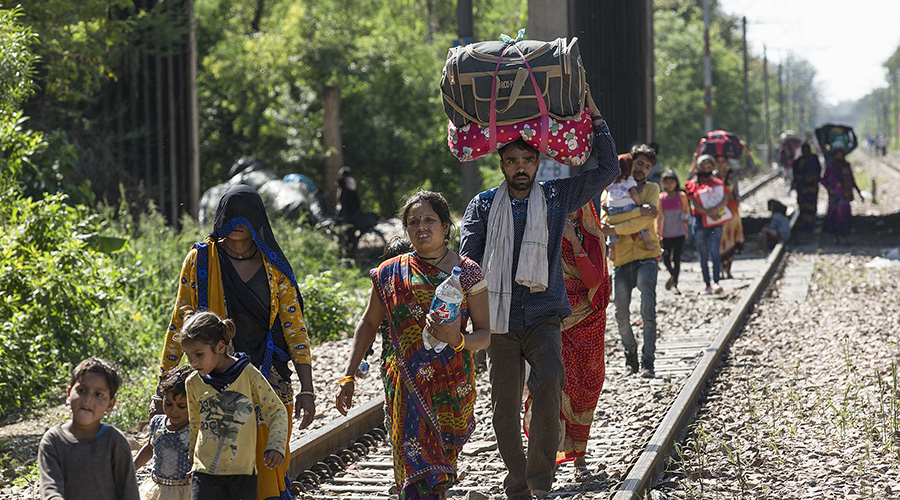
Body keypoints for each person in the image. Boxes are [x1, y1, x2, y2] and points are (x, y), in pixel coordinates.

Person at [459, 87, 618, 500]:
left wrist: (596, 118)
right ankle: (517, 484)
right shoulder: (482, 205)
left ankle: (541, 480)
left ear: (537, 162)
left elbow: (606, 172)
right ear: (502, 165)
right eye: (512, 161)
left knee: (549, 385)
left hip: (544, 313)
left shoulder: (554, 197)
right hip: (498, 318)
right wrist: (462, 297)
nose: (520, 167)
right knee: (504, 406)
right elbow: (467, 258)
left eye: (527, 160)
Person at [157, 184, 315, 500]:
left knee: (266, 460)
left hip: (267, 372)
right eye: (232, 214)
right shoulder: (200, 260)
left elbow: (295, 329)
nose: (238, 222)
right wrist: (162, 383)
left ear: (258, 220)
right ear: (220, 217)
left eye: (247, 215)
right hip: (213, 375)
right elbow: (179, 321)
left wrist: (307, 388)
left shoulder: (275, 268)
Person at [335, 190, 491, 500]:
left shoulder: (468, 272)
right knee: (415, 471)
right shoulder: (390, 273)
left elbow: (485, 335)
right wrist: (348, 375)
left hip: (451, 386)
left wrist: (456, 339)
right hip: (406, 386)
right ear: (406, 229)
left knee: (439, 470)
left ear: (446, 227)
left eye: (430, 220)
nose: (422, 227)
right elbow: (368, 324)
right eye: (413, 221)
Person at [177, 311, 289, 500]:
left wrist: (276, 446)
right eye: (188, 355)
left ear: (220, 347)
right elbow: (195, 424)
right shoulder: (193, 383)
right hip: (204, 471)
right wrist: (192, 461)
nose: (193, 361)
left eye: (199, 354)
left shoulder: (247, 374)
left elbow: (276, 410)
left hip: (242, 471)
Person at [555, 202, 611, 476]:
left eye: (575, 204)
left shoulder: (592, 237)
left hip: (588, 322)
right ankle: (548, 457)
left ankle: (580, 457)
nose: (569, 209)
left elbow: (592, 281)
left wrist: (575, 242)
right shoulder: (546, 234)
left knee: (586, 388)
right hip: (556, 322)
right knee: (558, 385)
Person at [38, 357, 140, 500]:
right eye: (82, 390)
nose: (88, 399)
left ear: (110, 405)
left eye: (99, 394)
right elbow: (50, 489)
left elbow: (129, 492)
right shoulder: (53, 441)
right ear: (68, 394)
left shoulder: (115, 442)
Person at [601, 146, 662, 378]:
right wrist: (639, 211)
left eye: (647, 166)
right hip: (622, 259)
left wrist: (617, 227)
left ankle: (648, 361)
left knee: (648, 309)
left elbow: (641, 225)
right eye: (639, 164)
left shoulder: (652, 189)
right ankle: (631, 356)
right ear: (630, 162)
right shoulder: (610, 188)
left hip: (647, 257)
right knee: (621, 315)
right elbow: (607, 218)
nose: (642, 169)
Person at [135, 365, 194, 500]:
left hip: (185, 492)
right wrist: (132, 467)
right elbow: (150, 448)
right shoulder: (157, 422)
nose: (173, 410)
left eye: (181, 406)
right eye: (168, 403)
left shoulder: (194, 428)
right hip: (158, 489)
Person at [685, 154, 730, 295]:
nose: (706, 169)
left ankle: (716, 281)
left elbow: (725, 197)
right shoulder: (693, 183)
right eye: (703, 166)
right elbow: (694, 202)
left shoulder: (718, 182)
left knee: (715, 251)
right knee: (703, 253)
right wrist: (706, 212)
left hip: (715, 221)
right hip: (700, 222)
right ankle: (707, 283)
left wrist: (715, 210)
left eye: (709, 166)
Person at [604, 159, 655, 262]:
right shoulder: (629, 180)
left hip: (612, 208)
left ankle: (612, 247)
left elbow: (606, 189)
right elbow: (634, 194)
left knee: (611, 230)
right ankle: (647, 241)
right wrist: (639, 205)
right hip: (626, 207)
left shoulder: (612, 180)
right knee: (640, 220)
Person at [655, 169, 690, 295]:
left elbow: (687, 211)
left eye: (672, 182)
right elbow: (658, 216)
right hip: (667, 232)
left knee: (676, 258)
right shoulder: (661, 197)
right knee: (666, 258)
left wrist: (686, 222)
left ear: (676, 182)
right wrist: (658, 232)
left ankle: (675, 283)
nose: (669, 184)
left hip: (679, 231)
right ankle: (673, 275)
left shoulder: (681, 196)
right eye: (667, 182)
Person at [821, 142, 861, 243]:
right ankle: (836, 236)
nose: (839, 156)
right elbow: (823, 180)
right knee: (834, 217)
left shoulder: (846, 166)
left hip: (845, 195)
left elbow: (852, 180)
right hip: (835, 195)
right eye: (837, 154)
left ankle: (845, 235)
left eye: (841, 154)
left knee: (845, 216)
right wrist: (829, 188)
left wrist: (859, 192)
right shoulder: (830, 167)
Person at [714, 155, 744, 279]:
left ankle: (728, 269)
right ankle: (720, 268)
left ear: (727, 163)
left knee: (731, 239)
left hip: (732, 210)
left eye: (723, 162)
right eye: (718, 162)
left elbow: (751, 167)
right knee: (720, 240)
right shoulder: (711, 176)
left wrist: (746, 152)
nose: (721, 164)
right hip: (718, 210)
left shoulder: (732, 174)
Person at [790, 143, 822, 233]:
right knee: (803, 206)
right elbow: (795, 174)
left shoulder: (813, 160)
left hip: (811, 187)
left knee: (811, 207)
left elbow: (818, 173)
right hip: (802, 188)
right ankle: (804, 225)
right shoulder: (798, 161)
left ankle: (810, 225)